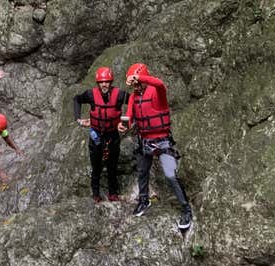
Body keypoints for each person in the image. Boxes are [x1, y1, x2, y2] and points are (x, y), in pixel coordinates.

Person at [118, 63, 193, 230]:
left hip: (162, 140)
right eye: (134, 84)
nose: (136, 87)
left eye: (138, 83)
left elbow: (159, 83)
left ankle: (186, 209)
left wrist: (140, 77)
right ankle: (143, 200)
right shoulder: (133, 97)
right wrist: (124, 125)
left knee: (170, 175)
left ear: (143, 79)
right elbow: (129, 116)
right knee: (142, 171)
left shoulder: (157, 91)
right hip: (145, 140)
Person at [73, 67, 130, 203]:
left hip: (112, 135)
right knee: (96, 167)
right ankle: (96, 193)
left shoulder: (120, 95)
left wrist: (128, 121)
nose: (104, 85)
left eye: (107, 82)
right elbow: (76, 99)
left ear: (111, 82)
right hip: (96, 135)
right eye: (101, 82)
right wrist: (78, 119)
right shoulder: (90, 95)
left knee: (112, 166)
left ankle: (113, 193)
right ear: (97, 83)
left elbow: (134, 103)